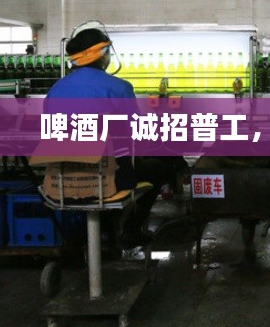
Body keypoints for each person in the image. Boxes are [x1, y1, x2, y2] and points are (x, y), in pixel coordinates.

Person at [46, 26, 189, 248]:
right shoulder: (118, 87)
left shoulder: (55, 89)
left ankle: (104, 233)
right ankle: (130, 231)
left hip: (62, 182)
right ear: (103, 54)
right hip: (106, 181)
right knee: (159, 169)